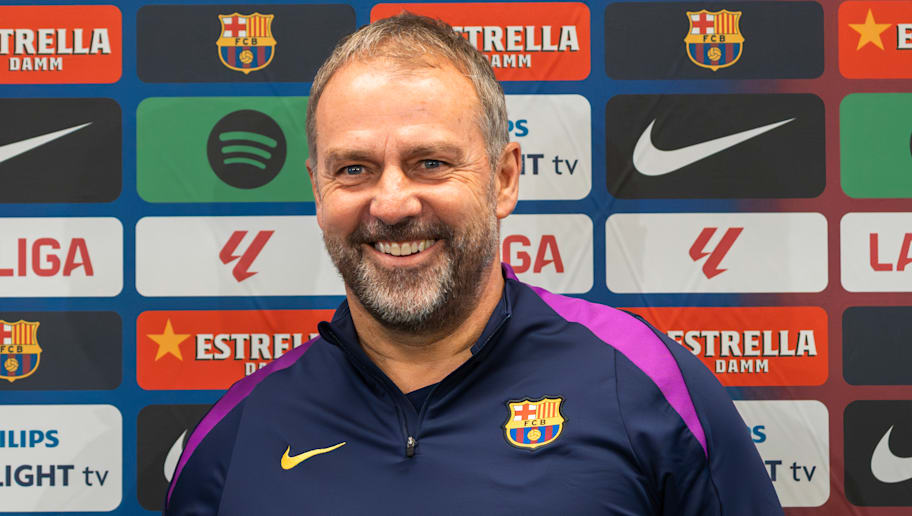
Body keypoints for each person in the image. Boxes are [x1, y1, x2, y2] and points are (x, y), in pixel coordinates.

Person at [164, 13, 783, 515]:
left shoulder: (646, 387)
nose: (393, 204)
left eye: (430, 163)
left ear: (504, 178)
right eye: (354, 169)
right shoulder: (235, 437)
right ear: (318, 191)